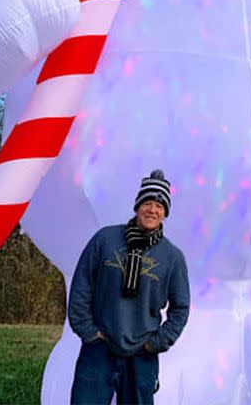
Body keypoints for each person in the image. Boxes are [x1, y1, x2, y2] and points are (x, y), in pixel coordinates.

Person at [68, 170, 190, 404]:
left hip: (142, 355)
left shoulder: (172, 257)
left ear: (165, 213)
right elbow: (82, 286)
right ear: (137, 205)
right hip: (99, 348)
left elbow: (180, 307)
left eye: (159, 205)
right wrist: (88, 332)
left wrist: (156, 342)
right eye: (148, 203)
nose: (152, 210)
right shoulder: (105, 240)